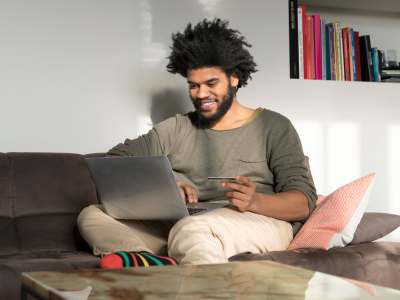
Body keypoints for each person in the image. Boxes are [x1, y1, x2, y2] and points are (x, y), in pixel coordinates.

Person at [78, 18, 317, 266]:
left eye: (211, 83)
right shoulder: (177, 128)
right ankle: (152, 263)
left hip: (258, 220)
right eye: (193, 86)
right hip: (188, 224)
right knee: (93, 215)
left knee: (192, 229)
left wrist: (256, 201)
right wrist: (171, 184)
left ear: (234, 78)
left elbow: (303, 203)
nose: (201, 94)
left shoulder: (274, 126)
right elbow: (116, 161)